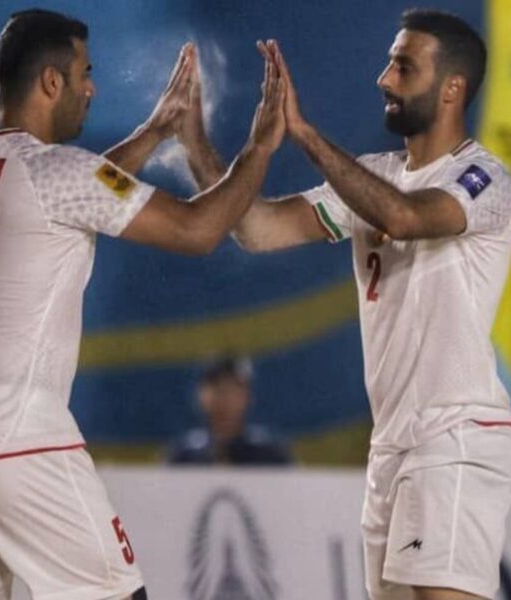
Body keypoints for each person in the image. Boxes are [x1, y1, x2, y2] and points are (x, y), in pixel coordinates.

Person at [0, 9, 286, 600]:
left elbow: (81, 191)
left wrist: (157, 130)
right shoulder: (53, 171)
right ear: (50, 82)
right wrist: (261, 148)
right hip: (18, 444)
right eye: (85, 72)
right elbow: (198, 230)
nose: (93, 87)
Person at [177, 9, 511, 600]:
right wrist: (197, 141)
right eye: (389, 62)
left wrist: (303, 134)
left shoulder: (484, 179)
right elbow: (255, 230)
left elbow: (405, 218)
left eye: (403, 66)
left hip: (456, 440)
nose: (384, 78)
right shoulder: (375, 176)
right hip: (390, 448)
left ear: (453, 88)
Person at [166, 357, 293, 465]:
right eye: (217, 390)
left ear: (247, 397)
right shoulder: (184, 455)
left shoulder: (270, 455)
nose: (225, 400)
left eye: (233, 391)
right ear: (201, 396)